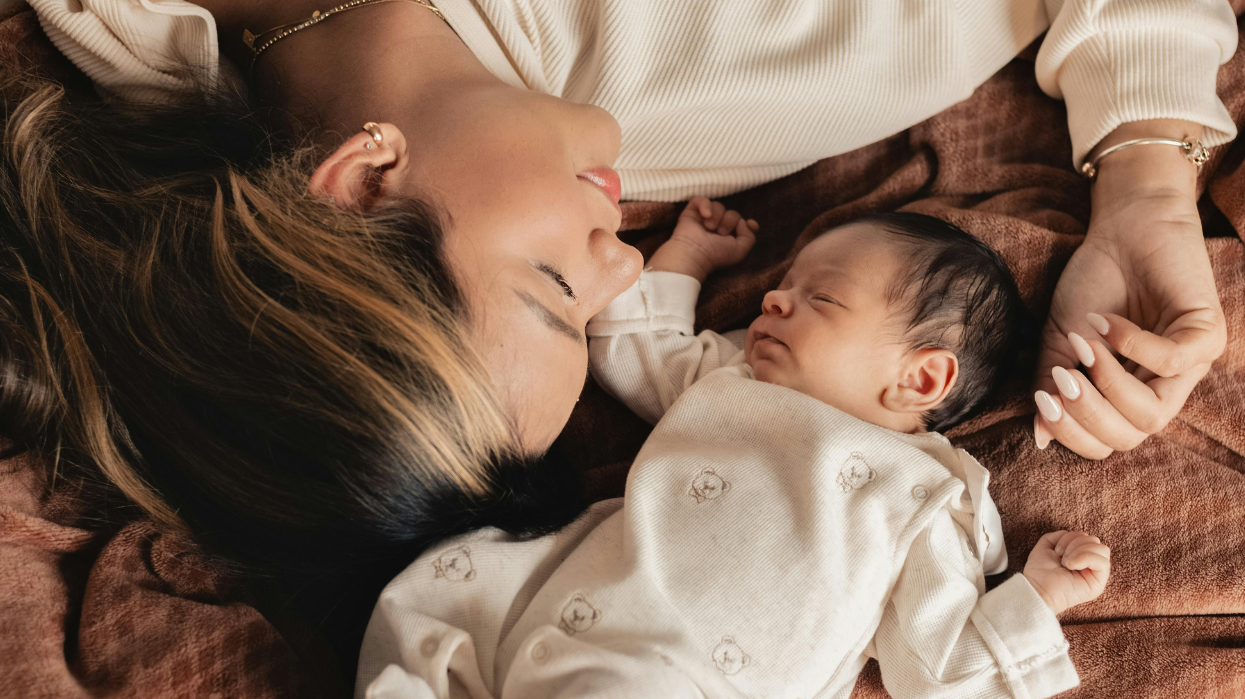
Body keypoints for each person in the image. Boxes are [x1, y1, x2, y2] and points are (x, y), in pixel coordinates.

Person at [26, 0, 1237, 465]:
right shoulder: (730, 77)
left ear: (359, 184)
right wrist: (1146, 185)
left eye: (553, 285)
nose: (624, 261)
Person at [355, 202, 1112, 698]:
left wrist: (1037, 595)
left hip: (698, 679)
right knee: (431, 594)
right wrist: (687, 255)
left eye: (821, 297)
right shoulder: (735, 377)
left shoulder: (927, 496)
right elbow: (634, 348)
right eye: (782, 285)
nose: (773, 300)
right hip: (581, 601)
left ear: (919, 377)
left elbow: (934, 665)